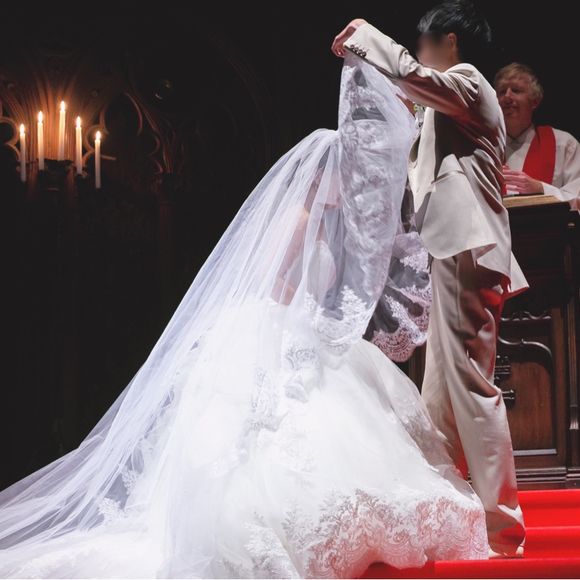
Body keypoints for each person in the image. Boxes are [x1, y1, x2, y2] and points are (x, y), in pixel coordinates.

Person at [0, 51, 490, 578]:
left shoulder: (329, 224)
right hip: (275, 328)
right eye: (339, 176)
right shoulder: (298, 221)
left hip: (309, 331)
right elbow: (276, 285)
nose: (346, 185)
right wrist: (310, 324)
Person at [332, 0, 528, 559]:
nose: (420, 52)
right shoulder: (451, 100)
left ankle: (502, 527)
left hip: (468, 246)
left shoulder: (468, 82)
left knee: (469, 384)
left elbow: (414, 76)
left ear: (450, 41)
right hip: (456, 248)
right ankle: (450, 512)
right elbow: (415, 103)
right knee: (439, 394)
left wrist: (367, 34)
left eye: (424, 42)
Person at [495, 62, 580, 212]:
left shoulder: (564, 144)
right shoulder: (484, 147)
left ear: (535, 101)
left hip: (551, 227)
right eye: (502, 92)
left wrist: (541, 189)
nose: (507, 97)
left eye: (516, 90)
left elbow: (577, 200)